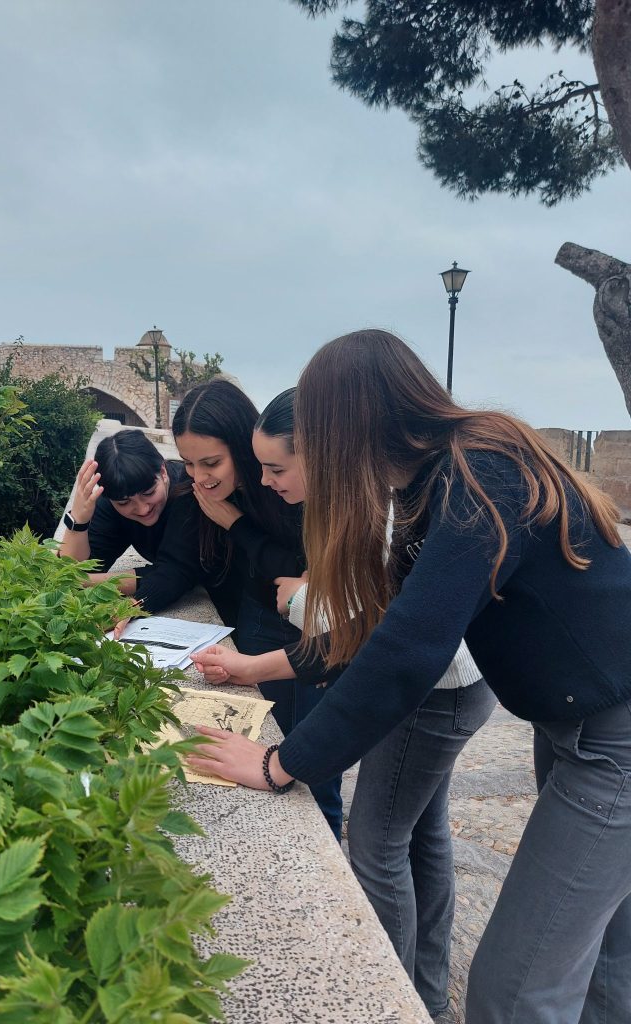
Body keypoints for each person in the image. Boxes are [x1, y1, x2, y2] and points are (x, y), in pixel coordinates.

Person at [188, 329, 631, 1024]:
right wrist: (261, 681)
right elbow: (378, 631)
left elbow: (409, 649)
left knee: (513, 992)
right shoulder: (445, 477)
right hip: (578, 722)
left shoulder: (480, 474)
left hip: (612, 741)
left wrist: (281, 764)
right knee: (605, 956)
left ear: (346, 428)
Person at [216, 386, 494, 1018]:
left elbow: (357, 644)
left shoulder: (372, 512)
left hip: (433, 694)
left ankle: (389, 1003)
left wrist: (279, 762)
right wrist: (252, 667)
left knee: (376, 842)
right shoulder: (364, 500)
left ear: (322, 452)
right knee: (423, 833)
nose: (265, 482)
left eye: (276, 468)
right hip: (461, 683)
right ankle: (425, 995)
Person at [170, 377, 343, 838]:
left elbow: (307, 570)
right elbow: (177, 564)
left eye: (211, 463)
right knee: (260, 736)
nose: (199, 476)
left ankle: (325, 843)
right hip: (259, 617)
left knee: (314, 762)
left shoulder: (290, 483)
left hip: (315, 625)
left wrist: (237, 524)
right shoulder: (201, 491)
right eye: (188, 463)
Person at [58, 428, 237, 620]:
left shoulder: (188, 491)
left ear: (163, 471)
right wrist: (78, 520)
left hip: (230, 585)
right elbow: (72, 572)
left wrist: (92, 585)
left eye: (149, 493)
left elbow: (176, 573)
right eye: (124, 503)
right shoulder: (112, 502)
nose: (142, 509)